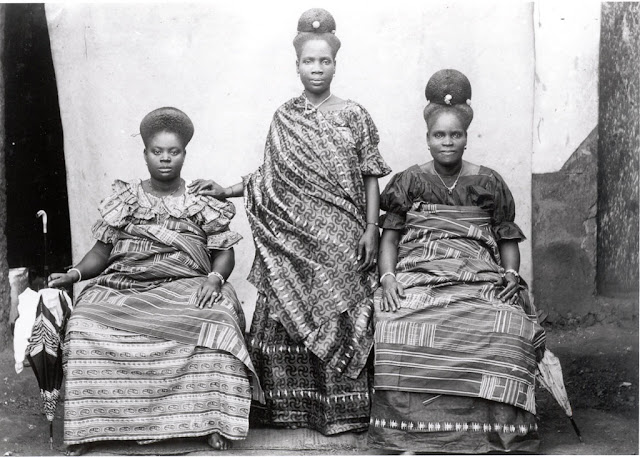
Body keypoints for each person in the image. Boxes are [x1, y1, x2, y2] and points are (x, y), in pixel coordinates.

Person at [190, 8, 391, 435]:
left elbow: (371, 174)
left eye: (325, 61)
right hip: (291, 236)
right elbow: (269, 175)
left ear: (336, 63)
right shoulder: (284, 115)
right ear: (296, 64)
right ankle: (285, 411)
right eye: (308, 61)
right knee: (282, 298)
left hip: (344, 231)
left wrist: (371, 228)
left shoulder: (355, 114)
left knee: (345, 291)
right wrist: (227, 189)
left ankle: (343, 412)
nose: (316, 69)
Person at [48, 107, 263, 455]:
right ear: (145, 152)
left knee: (219, 321)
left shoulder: (201, 199)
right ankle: (91, 427)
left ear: (184, 154)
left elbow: (224, 251)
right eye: (157, 152)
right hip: (126, 285)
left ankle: (214, 421)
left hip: (187, 285)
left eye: (173, 152)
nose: (165, 159)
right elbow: (101, 254)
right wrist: (74, 273)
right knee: (83, 324)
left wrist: (214, 277)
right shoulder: (126, 198)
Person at [368, 70, 546, 453]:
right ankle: (407, 434)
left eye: (455, 135)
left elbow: (506, 238)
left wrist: (511, 273)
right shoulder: (408, 182)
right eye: (439, 135)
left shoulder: (489, 182)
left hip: (478, 273)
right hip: (420, 272)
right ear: (427, 137)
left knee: (508, 326)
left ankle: (499, 433)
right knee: (394, 320)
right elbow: (391, 237)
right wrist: (387, 278)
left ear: (466, 136)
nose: (447, 142)